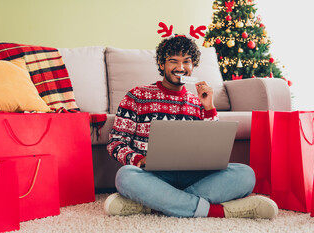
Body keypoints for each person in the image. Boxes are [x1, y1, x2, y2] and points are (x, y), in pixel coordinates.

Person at [104, 34, 278, 219]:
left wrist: (209, 108)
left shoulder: (198, 102)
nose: (180, 68)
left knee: (246, 175)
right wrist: (139, 159)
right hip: (153, 176)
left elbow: (214, 149)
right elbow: (116, 143)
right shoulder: (137, 95)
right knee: (125, 176)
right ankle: (217, 211)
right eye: (173, 61)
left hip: (194, 175)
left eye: (186, 62)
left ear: (193, 65)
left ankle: (155, 205)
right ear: (162, 64)